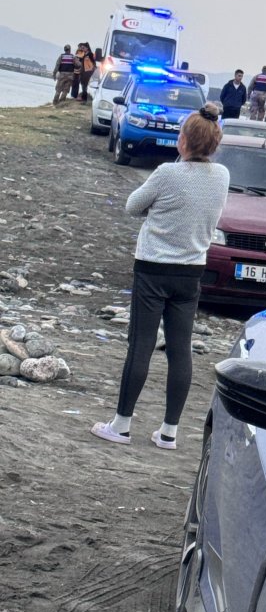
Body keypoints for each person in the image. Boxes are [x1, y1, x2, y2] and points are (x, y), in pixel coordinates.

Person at [90, 103, 230, 450]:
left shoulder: (167, 172)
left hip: (153, 269)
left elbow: (132, 206)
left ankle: (121, 424)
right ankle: (169, 432)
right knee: (180, 350)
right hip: (191, 272)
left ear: (183, 141)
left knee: (140, 345)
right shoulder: (223, 176)